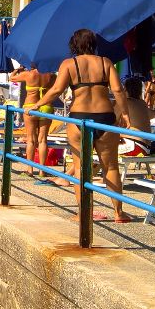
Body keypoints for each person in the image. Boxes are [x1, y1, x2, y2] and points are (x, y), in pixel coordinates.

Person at [41, 28, 134, 222]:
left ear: (74, 45)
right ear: (94, 44)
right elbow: (117, 89)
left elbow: (57, 90)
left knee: (80, 167)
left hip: (79, 118)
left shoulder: (69, 64)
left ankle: (84, 213)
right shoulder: (105, 62)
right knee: (111, 167)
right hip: (105, 117)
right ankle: (119, 213)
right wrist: (125, 113)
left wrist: (36, 105)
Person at [14, 64, 58, 181]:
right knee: (43, 140)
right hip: (46, 106)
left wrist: (18, 69)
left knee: (31, 140)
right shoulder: (51, 76)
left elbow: (11, 77)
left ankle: (30, 170)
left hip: (30, 106)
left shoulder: (28, 74)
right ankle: (42, 170)